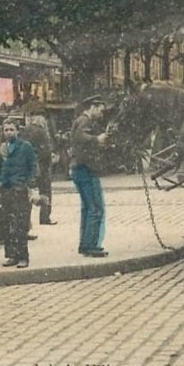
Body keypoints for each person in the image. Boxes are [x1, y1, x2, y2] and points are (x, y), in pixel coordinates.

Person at [0, 118, 38, 268]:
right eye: (6, 130)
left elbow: (33, 167)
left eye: (12, 129)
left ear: (18, 131)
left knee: (21, 224)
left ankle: (23, 257)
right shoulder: (1, 148)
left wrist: (29, 184)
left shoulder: (25, 147)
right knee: (7, 224)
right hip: (6, 191)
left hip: (20, 190)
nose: (9, 132)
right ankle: (11, 255)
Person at [70, 95, 109, 258]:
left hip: (80, 169)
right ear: (93, 107)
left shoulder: (80, 120)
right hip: (87, 169)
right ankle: (91, 245)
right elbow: (80, 137)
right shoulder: (85, 121)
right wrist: (97, 139)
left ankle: (85, 244)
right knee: (95, 208)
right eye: (101, 110)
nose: (102, 114)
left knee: (87, 208)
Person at [20, 110, 57, 225]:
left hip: (27, 166)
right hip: (42, 166)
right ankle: (44, 217)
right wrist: (50, 161)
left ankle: (26, 221)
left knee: (27, 193)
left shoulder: (24, 131)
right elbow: (46, 151)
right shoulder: (42, 131)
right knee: (45, 191)